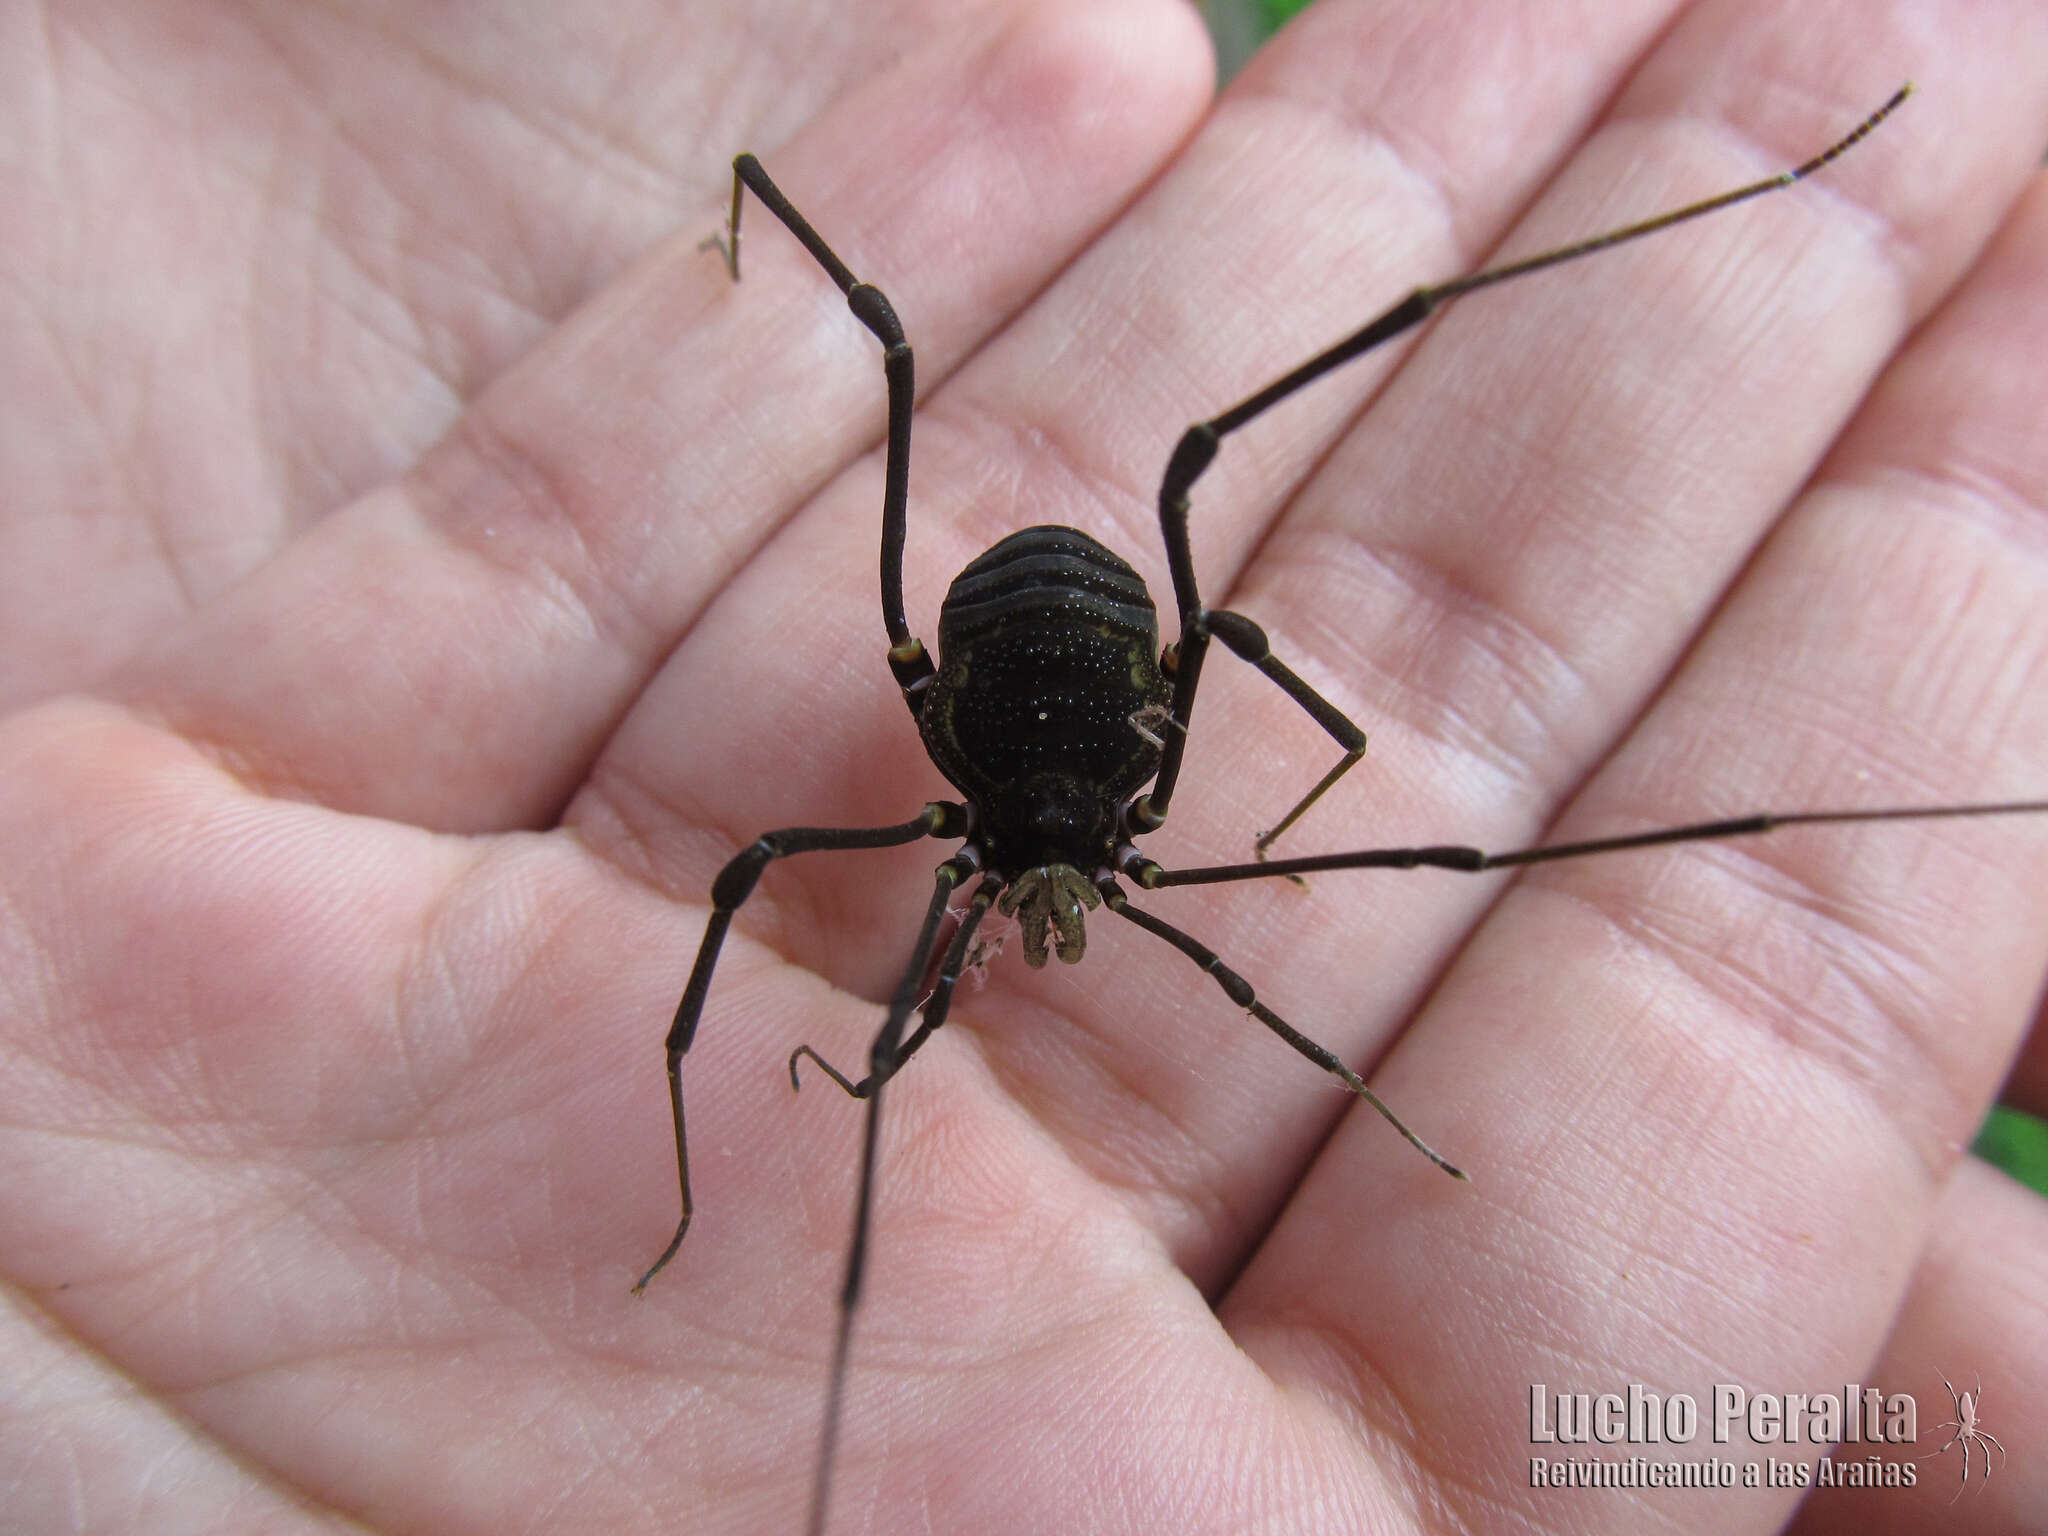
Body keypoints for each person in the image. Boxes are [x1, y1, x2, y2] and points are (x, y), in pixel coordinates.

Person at [4, 1, 2043, 1531]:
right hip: (1010, 668)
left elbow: (1243, 682)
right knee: (904, 472)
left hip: (1057, 683)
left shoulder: (1045, 855)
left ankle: (1765, 195)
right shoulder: (1005, 853)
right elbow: (815, 921)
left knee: (1264, 584)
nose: (1058, 931)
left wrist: (1320, 851)